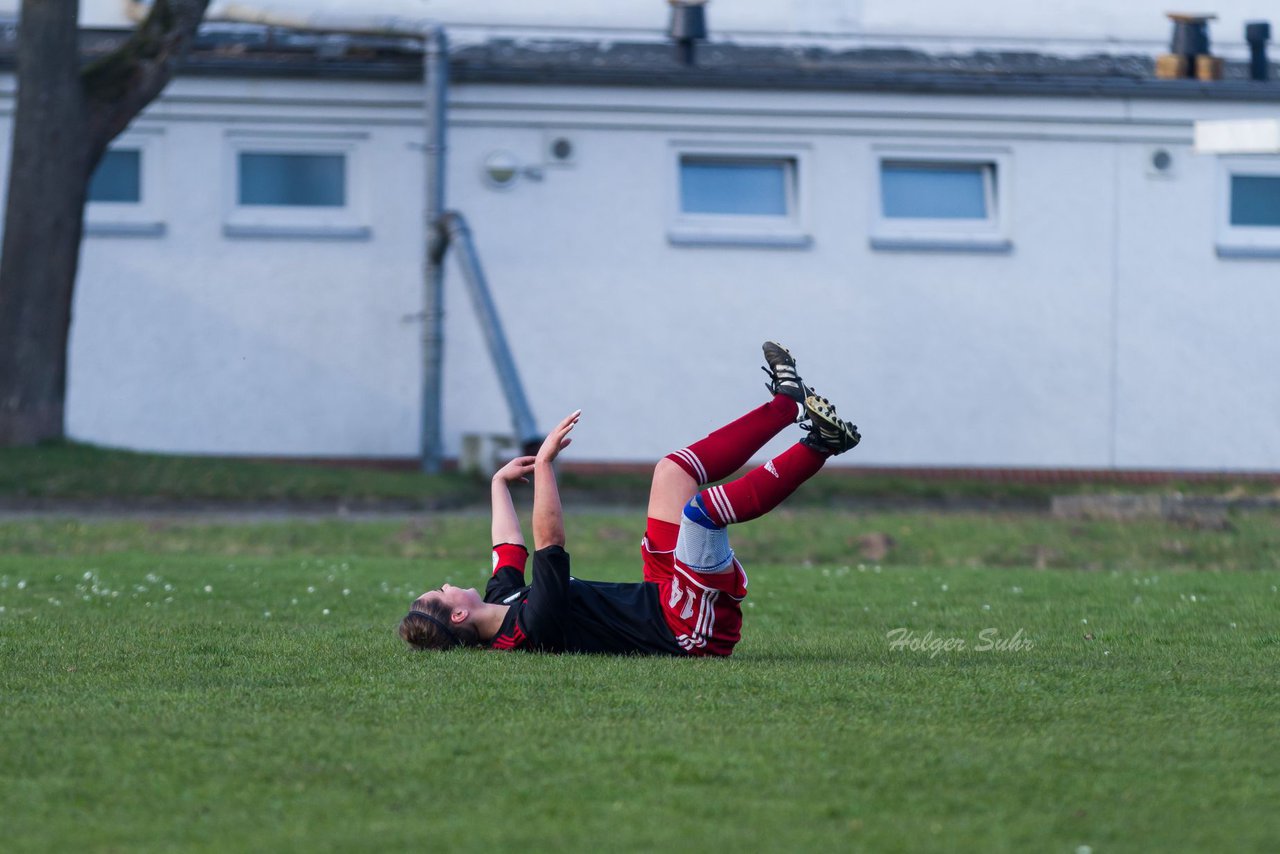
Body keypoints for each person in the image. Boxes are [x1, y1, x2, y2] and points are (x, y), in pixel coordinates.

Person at [399, 342, 861, 656]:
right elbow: (550, 540)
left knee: (671, 472)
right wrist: (543, 465)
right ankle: (821, 443)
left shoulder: (504, 598)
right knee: (701, 515)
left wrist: (498, 483)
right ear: (458, 612)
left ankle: (786, 402)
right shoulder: (529, 628)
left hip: (659, 590)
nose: (446, 583)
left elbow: (508, 547)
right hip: (685, 628)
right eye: (441, 592)